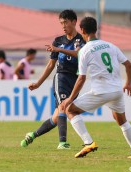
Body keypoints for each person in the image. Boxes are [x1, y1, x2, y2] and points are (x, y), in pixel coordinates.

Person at [62, 17, 131, 158]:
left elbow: (81, 78)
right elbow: (129, 65)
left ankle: (88, 143)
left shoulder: (85, 50)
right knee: (122, 120)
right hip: (117, 91)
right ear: (96, 29)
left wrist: (70, 98)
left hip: (101, 91)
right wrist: (128, 83)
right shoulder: (110, 45)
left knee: (70, 110)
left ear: (82, 30)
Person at [20, 9, 85, 149]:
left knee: (56, 118)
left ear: (74, 22)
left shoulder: (81, 40)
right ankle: (62, 143)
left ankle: (32, 135)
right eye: (61, 23)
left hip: (75, 80)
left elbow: (79, 54)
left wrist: (58, 50)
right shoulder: (58, 41)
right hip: (61, 77)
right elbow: (51, 65)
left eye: (65, 22)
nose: (63, 26)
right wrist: (38, 83)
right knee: (64, 106)